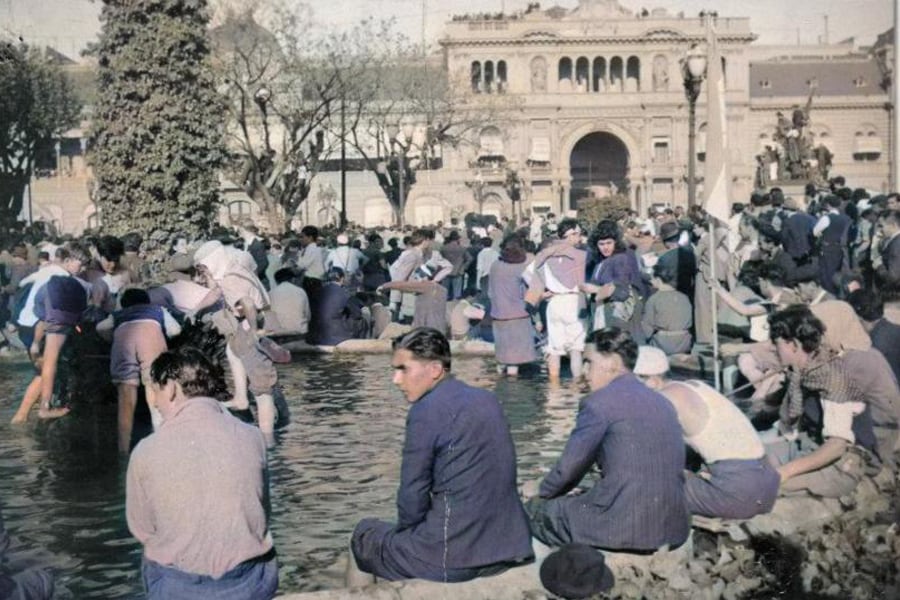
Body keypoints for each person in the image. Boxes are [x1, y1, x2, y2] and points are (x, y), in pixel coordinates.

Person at [347, 328, 533, 584]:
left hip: (453, 556)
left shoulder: (426, 410)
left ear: (434, 370)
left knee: (363, 535)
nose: (396, 380)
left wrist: (407, 535)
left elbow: (412, 495)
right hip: (508, 547)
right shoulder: (487, 399)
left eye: (403, 369)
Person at [126, 347, 277, 599]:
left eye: (155, 391)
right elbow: (263, 514)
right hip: (249, 584)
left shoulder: (145, 450)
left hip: (179, 588)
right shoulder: (253, 437)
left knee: (153, 554)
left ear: (172, 389)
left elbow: (142, 530)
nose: (154, 402)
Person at [525, 327, 690, 552]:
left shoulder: (598, 403)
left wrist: (539, 490)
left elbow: (568, 471)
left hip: (624, 529)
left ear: (612, 362)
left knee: (535, 509)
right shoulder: (662, 402)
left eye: (589, 362)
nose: (584, 371)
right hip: (673, 527)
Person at [634, 346, 780, 519]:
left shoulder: (664, 400)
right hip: (766, 481)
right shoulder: (693, 386)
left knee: (644, 483)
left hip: (740, 493)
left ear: (652, 381)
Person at [763, 305, 881, 497]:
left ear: (793, 344)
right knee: (749, 465)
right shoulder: (806, 368)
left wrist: (784, 472)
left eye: (776, 344)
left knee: (765, 486)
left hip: (844, 460)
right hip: (810, 443)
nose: (772, 349)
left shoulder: (830, 378)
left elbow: (836, 446)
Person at [10, 244, 90, 424]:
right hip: (39, 325)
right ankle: (39, 410)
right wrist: (37, 342)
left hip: (27, 323)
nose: (83, 270)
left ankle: (20, 418)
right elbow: (50, 311)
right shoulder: (62, 280)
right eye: (81, 264)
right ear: (68, 261)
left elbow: (23, 284)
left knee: (42, 372)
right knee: (47, 367)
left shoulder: (49, 270)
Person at [96, 287, 182, 454]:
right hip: (151, 341)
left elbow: (100, 327)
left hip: (124, 344)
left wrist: (112, 338)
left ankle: (123, 449)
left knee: (125, 397)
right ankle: (160, 440)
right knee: (154, 388)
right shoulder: (158, 310)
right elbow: (176, 330)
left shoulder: (118, 315)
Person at [526, 219, 587, 381]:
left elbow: (527, 275)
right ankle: (576, 387)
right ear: (569, 235)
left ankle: (553, 389)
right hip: (575, 301)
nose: (579, 238)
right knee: (576, 349)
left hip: (554, 303)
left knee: (554, 348)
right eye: (577, 234)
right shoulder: (581, 255)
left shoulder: (544, 255)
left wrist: (543, 292)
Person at [488, 234, 537, 375]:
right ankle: (513, 391)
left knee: (502, 358)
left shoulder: (495, 265)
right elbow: (534, 286)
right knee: (513, 363)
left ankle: (501, 389)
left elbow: (491, 291)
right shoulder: (521, 267)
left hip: (497, 315)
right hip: (517, 316)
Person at [641, 261, 692, 354]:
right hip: (685, 343)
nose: (651, 281)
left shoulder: (654, 299)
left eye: (652, 278)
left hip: (664, 344)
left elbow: (647, 328)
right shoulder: (684, 297)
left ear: (658, 280)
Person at [264, 268, 310, 336]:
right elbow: (308, 316)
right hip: (299, 332)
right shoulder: (300, 291)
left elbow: (265, 315)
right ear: (293, 279)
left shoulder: (269, 294)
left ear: (276, 281)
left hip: (275, 334)